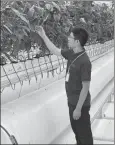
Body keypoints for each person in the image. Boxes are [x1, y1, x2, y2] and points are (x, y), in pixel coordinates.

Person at [36, 26, 93, 144]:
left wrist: (78, 109)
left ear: (77, 42)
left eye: (70, 37)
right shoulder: (72, 53)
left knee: (85, 135)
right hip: (72, 102)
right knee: (77, 132)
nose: (68, 39)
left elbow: (85, 87)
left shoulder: (85, 61)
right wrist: (43, 35)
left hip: (80, 105)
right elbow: (55, 50)